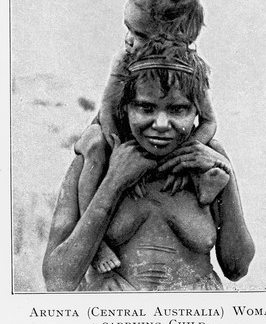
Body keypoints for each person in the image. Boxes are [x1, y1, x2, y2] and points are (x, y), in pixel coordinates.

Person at [42, 39, 255, 291]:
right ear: (125, 108)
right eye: (146, 107)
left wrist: (226, 179)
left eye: (178, 109)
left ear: (196, 112)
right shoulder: (97, 157)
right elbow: (57, 282)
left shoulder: (207, 160)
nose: (162, 124)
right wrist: (114, 182)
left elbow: (237, 269)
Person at [76, 0, 218, 273]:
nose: (128, 39)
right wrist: (120, 153)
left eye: (138, 33)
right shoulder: (123, 60)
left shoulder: (190, 71)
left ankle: (206, 187)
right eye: (127, 29)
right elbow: (108, 110)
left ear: (172, 40)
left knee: (205, 152)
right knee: (94, 147)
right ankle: (96, 245)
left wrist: (187, 153)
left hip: (167, 139)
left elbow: (208, 121)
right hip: (119, 131)